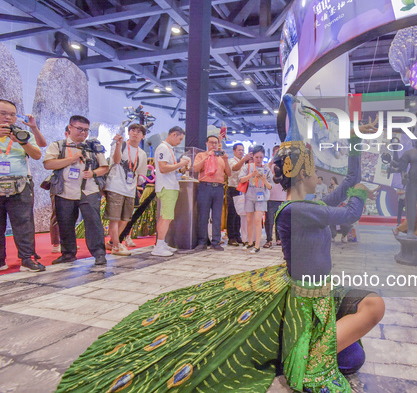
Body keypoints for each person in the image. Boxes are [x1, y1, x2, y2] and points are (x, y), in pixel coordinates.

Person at [55, 94, 384, 393]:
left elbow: (351, 184)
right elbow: (351, 211)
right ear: (303, 174)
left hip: (319, 289)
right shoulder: (300, 210)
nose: (320, 175)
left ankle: (306, 347)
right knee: (362, 332)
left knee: (357, 346)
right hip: (307, 298)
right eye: (313, 168)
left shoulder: (308, 206)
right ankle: (306, 354)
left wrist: (356, 139)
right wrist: (358, 191)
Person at [44, 115, 109, 266]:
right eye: (80, 129)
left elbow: (104, 167)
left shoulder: (94, 147)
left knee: (93, 223)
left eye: (86, 130)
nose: (83, 133)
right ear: (70, 128)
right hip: (64, 191)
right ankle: (68, 254)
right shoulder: (58, 145)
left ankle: (99, 253)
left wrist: (93, 173)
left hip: (89, 190)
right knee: (65, 223)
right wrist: (72, 159)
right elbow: (48, 164)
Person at [0, 99, 44, 272]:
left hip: (21, 184)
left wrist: (22, 142)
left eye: (12, 114)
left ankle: (27, 259)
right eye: (3, 113)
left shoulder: (22, 134)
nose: (8, 118)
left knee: (24, 223)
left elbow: (37, 155)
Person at [103, 124, 148, 256]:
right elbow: (116, 161)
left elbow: (140, 173)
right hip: (115, 186)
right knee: (114, 218)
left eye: (139, 132)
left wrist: (137, 187)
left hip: (130, 189)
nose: (135, 133)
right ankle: (117, 245)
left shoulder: (142, 154)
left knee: (125, 219)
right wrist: (118, 145)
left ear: (143, 136)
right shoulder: (120, 145)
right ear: (128, 133)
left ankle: (112, 243)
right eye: (132, 130)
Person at [152, 126, 190, 257]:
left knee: (166, 216)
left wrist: (181, 168)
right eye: (179, 139)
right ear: (173, 134)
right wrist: (181, 163)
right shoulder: (163, 148)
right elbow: (162, 168)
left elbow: (169, 169)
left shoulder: (169, 149)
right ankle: (159, 245)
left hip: (170, 186)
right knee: (166, 217)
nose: (180, 142)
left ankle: (161, 243)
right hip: (166, 187)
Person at [193, 135, 231, 251]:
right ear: (207, 144)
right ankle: (202, 242)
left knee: (217, 216)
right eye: (211, 143)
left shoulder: (221, 157)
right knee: (203, 216)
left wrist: (225, 159)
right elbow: (195, 169)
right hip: (205, 187)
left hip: (219, 188)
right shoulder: (201, 155)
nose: (213, 145)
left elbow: (228, 173)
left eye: (215, 143)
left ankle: (216, 242)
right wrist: (207, 157)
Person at [238, 145, 272, 253]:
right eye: (257, 157)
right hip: (249, 195)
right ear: (253, 156)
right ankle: (250, 243)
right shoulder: (247, 167)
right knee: (249, 220)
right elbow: (241, 180)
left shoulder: (266, 169)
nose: (259, 160)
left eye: (261, 157)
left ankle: (257, 245)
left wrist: (264, 179)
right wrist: (251, 175)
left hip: (261, 196)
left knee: (258, 220)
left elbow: (271, 186)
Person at [226, 142, 251, 246]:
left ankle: (237, 235)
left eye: (242, 150)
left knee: (239, 214)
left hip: (242, 189)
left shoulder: (244, 163)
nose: (241, 152)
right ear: (234, 151)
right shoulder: (231, 160)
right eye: (239, 150)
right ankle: (231, 237)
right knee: (232, 213)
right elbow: (235, 168)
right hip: (233, 189)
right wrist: (244, 160)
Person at [263, 145, 286, 248]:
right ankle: (268, 240)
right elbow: (263, 171)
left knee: (280, 220)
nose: (278, 155)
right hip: (270, 197)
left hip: (282, 197)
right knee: (269, 221)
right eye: (276, 153)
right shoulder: (269, 166)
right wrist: (271, 162)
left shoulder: (285, 166)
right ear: (273, 154)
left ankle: (279, 239)